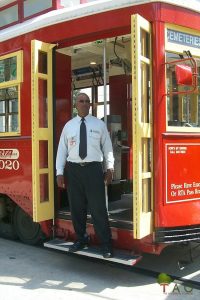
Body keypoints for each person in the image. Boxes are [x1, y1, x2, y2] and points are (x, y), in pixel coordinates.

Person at [56, 92, 114, 258]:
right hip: (73, 171)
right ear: (76, 105)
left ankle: (106, 244)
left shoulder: (99, 125)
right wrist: (59, 172)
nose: (84, 103)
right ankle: (81, 239)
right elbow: (62, 150)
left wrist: (109, 168)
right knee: (77, 209)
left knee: (98, 209)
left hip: (93, 170)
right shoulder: (69, 126)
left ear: (91, 105)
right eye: (81, 101)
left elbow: (107, 148)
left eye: (87, 101)